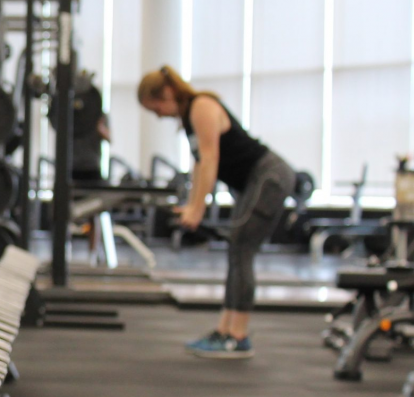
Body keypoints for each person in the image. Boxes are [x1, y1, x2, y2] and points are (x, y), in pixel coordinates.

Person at [137, 66, 296, 359]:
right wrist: (193, 204)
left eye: (156, 106)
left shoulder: (202, 106)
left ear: (168, 93)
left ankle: (238, 335)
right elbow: (199, 165)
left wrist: (198, 209)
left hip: (269, 177)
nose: (158, 114)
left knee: (242, 247)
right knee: (237, 248)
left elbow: (211, 159)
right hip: (253, 181)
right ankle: (225, 330)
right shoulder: (189, 118)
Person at [71, 72, 111, 258]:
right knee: (63, 213)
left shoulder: (99, 114)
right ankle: (64, 253)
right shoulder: (68, 112)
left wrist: (98, 127)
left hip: (92, 169)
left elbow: (110, 138)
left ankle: (92, 255)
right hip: (70, 169)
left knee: (94, 213)